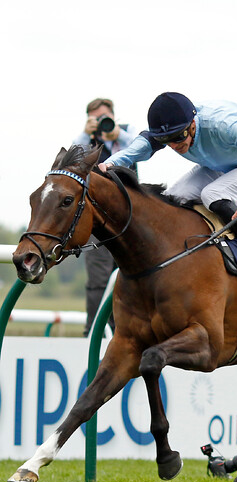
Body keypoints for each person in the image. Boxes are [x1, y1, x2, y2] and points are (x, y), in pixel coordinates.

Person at [100, 92, 237, 284]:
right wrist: (108, 164)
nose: (174, 146)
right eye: (165, 142)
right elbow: (137, 149)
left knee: (212, 194)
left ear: (192, 125)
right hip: (219, 166)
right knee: (173, 198)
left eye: (178, 138)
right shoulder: (173, 129)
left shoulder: (224, 124)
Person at [73, 98, 138, 336]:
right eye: (96, 119)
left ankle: (129, 332)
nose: (102, 123)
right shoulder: (87, 141)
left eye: (105, 117)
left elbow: (141, 148)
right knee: (99, 281)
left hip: (129, 221)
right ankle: (94, 333)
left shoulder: (128, 136)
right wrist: (85, 133)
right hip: (96, 221)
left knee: (133, 277)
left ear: (114, 116)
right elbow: (73, 158)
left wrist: (116, 134)